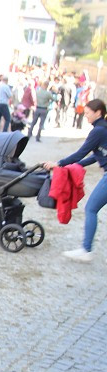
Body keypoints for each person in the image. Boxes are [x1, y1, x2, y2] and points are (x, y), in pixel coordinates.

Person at [43, 98, 107, 263]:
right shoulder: (103, 129)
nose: (85, 116)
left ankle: (86, 250)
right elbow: (96, 155)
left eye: (87, 113)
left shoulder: (98, 131)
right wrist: (76, 164)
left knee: (91, 208)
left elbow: (82, 152)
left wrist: (58, 163)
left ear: (98, 112)